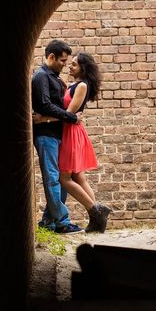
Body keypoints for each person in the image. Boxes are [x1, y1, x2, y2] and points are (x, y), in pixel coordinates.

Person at [34, 52, 112, 233]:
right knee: (78, 177)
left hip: (71, 132)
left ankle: (96, 211)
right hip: (68, 131)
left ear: (83, 68)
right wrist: (63, 85)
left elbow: (68, 114)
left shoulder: (82, 86)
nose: (70, 66)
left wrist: (43, 119)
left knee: (63, 178)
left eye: (75, 64)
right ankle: (98, 216)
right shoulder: (73, 85)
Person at [31, 40, 85, 233]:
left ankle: (48, 221)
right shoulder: (40, 77)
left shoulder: (53, 77)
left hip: (57, 134)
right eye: (62, 60)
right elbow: (45, 105)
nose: (65, 64)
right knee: (53, 178)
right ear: (51, 57)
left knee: (61, 178)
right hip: (46, 135)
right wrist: (70, 117)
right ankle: (62, 222)